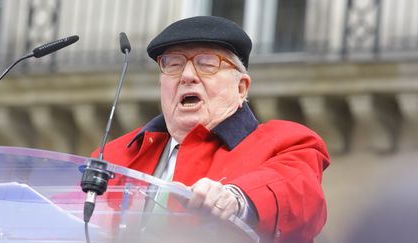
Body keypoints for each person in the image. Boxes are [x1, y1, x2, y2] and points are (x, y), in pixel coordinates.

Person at [93, 16, 330, 243]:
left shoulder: (287, 142)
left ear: (241, 88)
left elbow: (299, 194)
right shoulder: (112, 156)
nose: (187, 76)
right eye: (173, 65)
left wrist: (237, 199)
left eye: (207, 64)